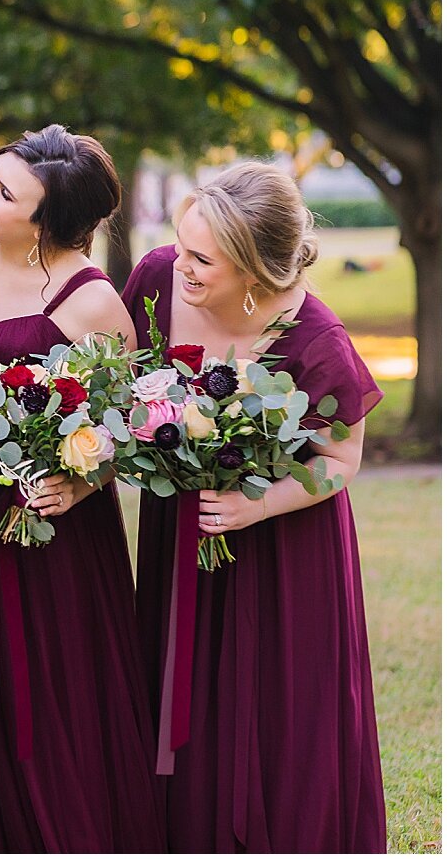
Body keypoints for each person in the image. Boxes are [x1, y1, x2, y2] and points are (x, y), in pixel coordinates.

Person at [122, 160, 385, 851]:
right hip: (184, 534)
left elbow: (340, 461)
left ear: (254, 270)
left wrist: (254, 507)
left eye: (202, 258)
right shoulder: (154, 282)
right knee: (189, 704)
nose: (180, 265)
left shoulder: (317, 343)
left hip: (285, 551)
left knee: (277, 713)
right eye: (180, 245)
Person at [0, 123, 164, 850]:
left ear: (50, 222)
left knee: (58, 702)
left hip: (49, 529)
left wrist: (82, 484)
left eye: (6, 193)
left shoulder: (91, 302)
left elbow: (136, 423)